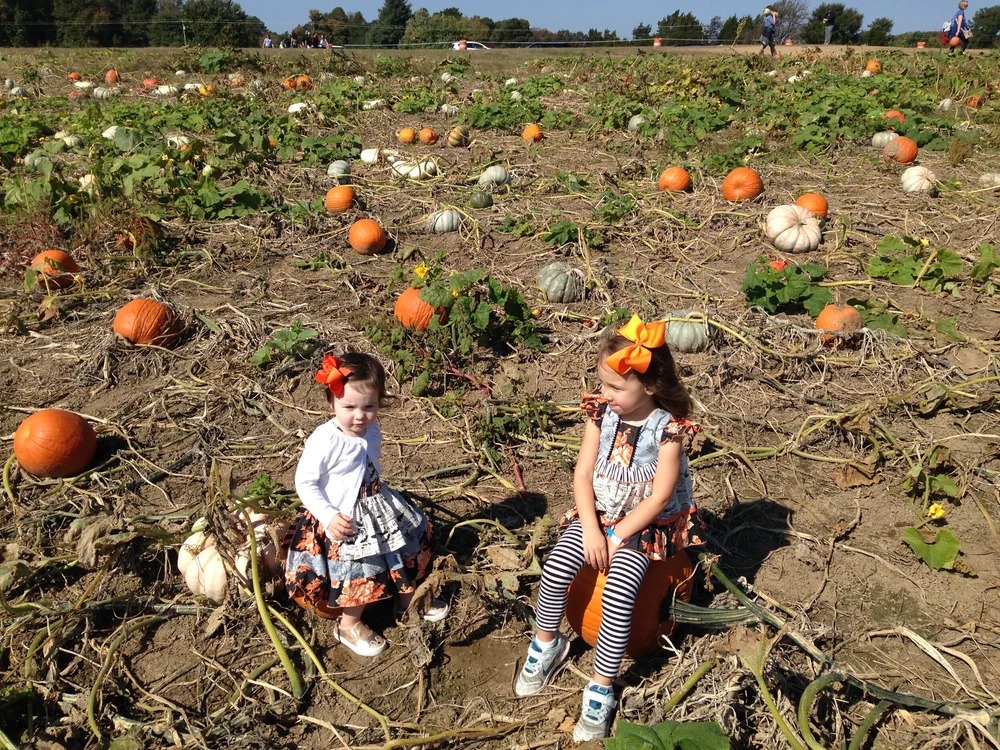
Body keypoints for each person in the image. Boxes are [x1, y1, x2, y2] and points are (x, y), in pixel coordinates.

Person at [514, 315, 708, 741]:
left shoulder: (668, 431)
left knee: (620, 590)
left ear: (651, 386)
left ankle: (601, 686)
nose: (606, 394)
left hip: (643, 525)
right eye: (603, 384)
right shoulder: (600, 415)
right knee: (555, 568)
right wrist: (590, 530)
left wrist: (619, 537)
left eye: (616, 387)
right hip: (597, 516)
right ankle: (547, 643)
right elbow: (582, 475)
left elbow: (658, 498)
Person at [284, 353, 449, 656]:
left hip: (375, 504)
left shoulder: (371, 429)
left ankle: (405, 601)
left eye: (369, 406)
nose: (360, 415)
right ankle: (347, 625)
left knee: (399, 547)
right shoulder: (324, 440)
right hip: (342, 518)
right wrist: (329, 515)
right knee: (359, 568)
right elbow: (305, 482)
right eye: (349, 407)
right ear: (331, 403)